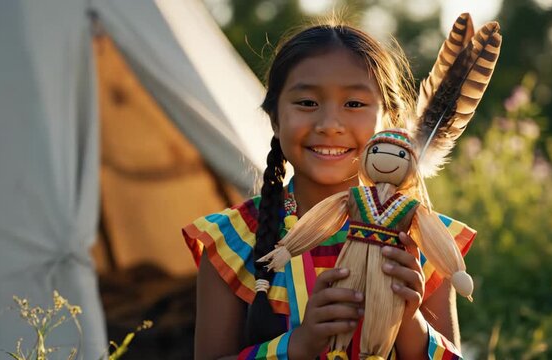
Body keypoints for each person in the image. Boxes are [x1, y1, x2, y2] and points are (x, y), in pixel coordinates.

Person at [183, 21, 476, 360]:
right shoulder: (232, 242)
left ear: (389, 122)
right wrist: (299, 345)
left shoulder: (420, 241)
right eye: (307, 103)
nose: (329, 125)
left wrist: (410, 321)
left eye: (354, 104)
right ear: (275, 119)